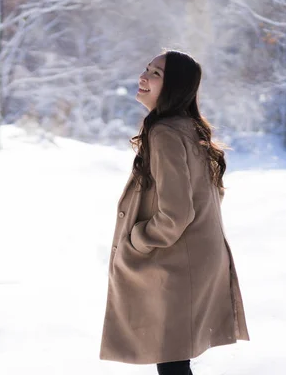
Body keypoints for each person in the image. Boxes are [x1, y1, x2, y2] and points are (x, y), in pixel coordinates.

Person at [99, 50, 249, 375]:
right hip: (192, 260)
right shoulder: (187, 127)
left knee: (172, 361)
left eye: (156, 73)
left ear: (175, 86)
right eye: (147, 68)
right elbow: (209, 196)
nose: (144, 76)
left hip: (175, 264)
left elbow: (176, 213)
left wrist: (138, 239)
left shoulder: (166, 133)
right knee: (174, 359)